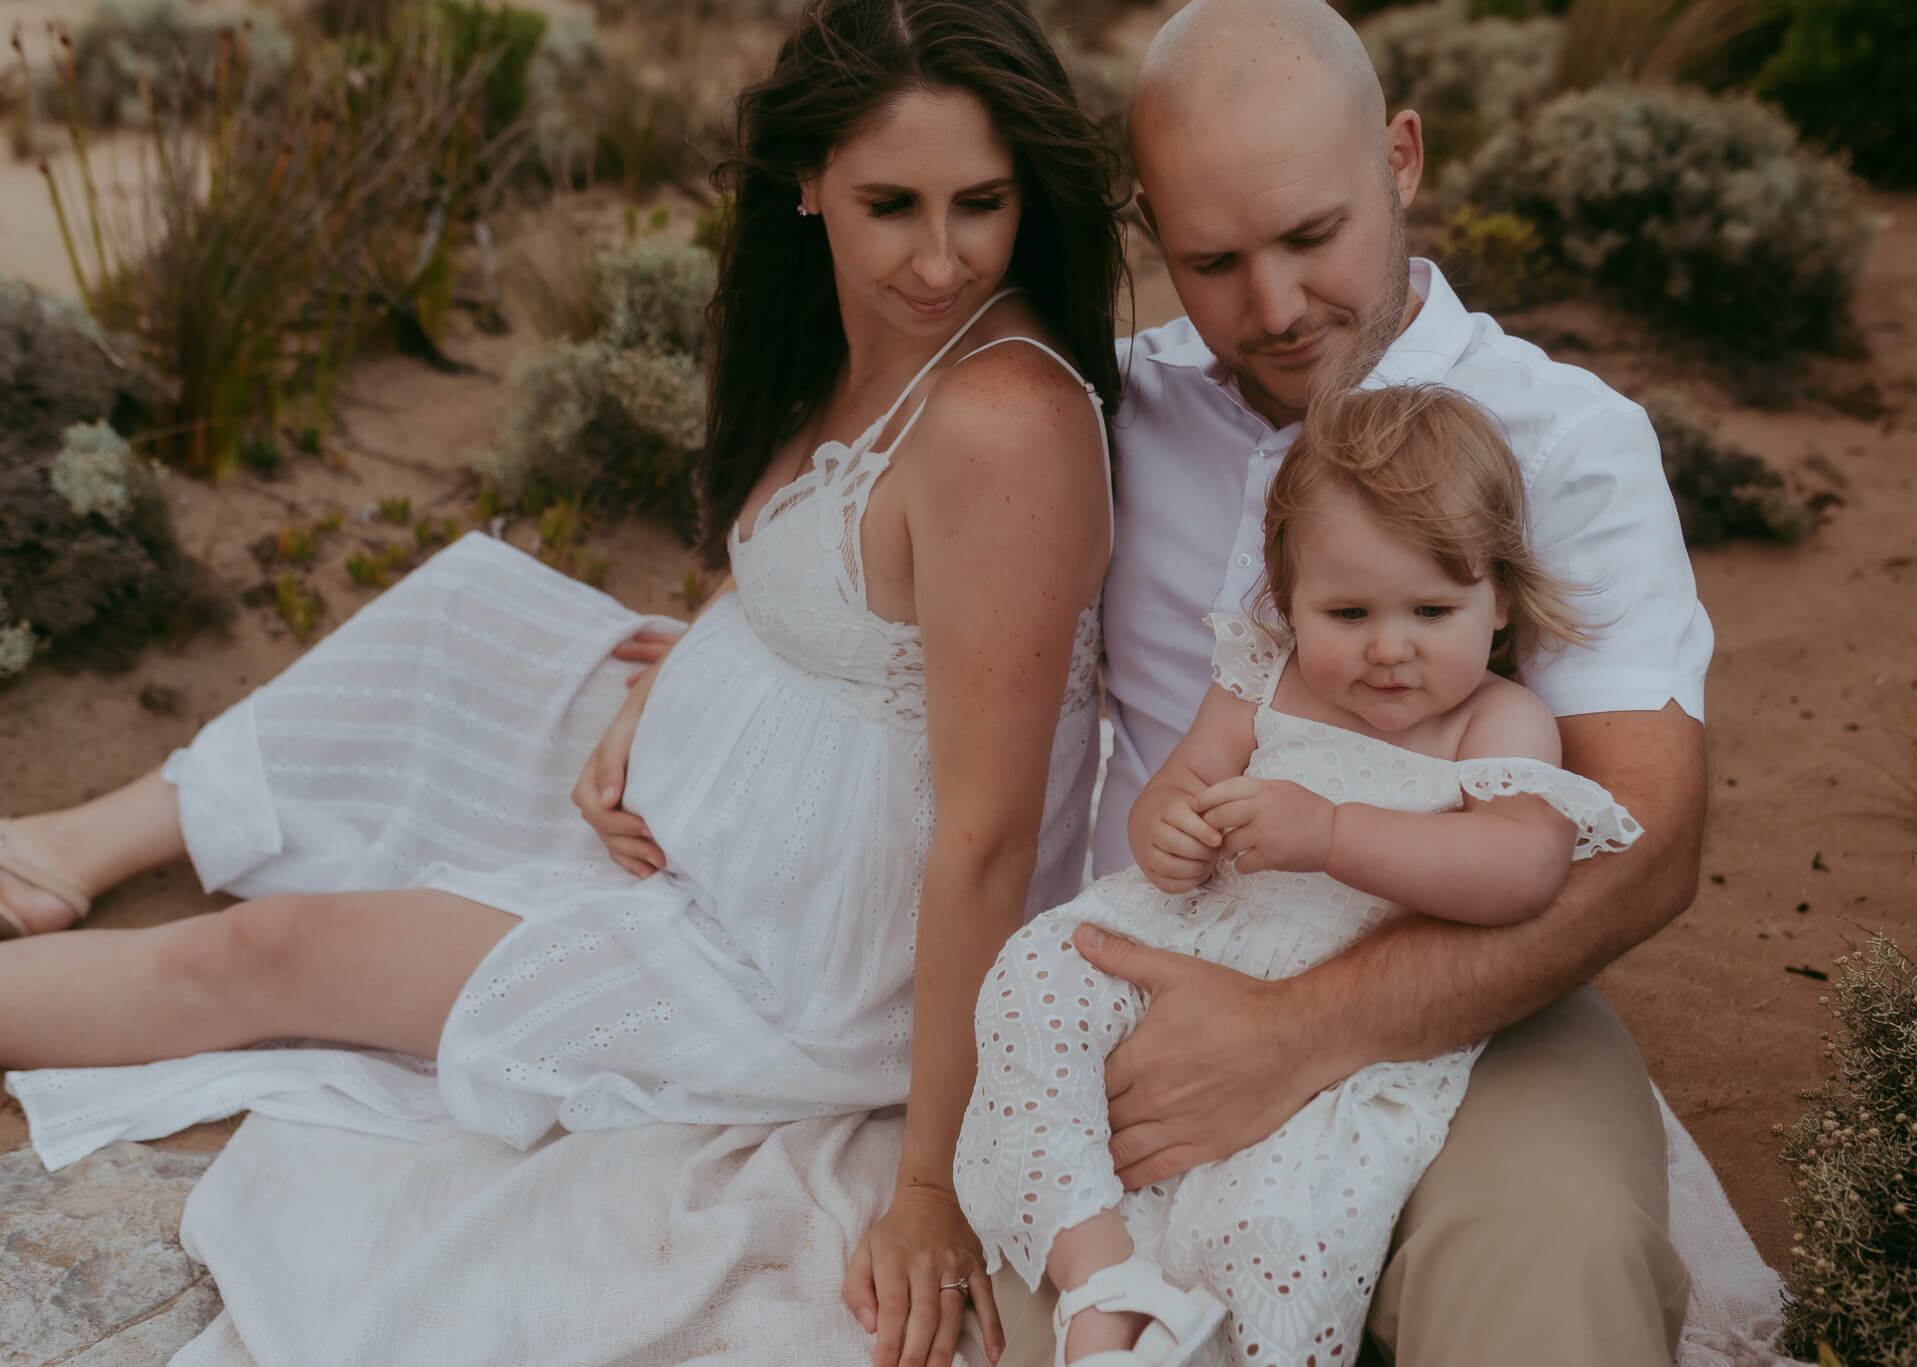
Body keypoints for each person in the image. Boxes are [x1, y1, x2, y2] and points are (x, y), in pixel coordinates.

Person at [0, 2, 1123, 1364]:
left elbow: (989, 835)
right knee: (469, 609)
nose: (941, 258)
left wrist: (928, 1187)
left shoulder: (1003, 423)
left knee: (266, 953)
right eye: (892, 204)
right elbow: (826, 569)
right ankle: (75, 844)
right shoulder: (851, 340)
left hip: (792, 964)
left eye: (981, 204)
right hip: (703, 813)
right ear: (807, 181)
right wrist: (676, 681)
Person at [965, 1, 1713, 1362]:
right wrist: (698, 659)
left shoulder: (1566, 439)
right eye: (1211, 260)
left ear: (1401, 160)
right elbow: (873, 513)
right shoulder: (1103, 414)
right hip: (1161, 986)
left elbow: (1646, 843)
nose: (1274, 308)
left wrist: (1290, 1033)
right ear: (1152, 230)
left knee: (1552, 1266)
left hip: (1478, 1004)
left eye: (1312, 235)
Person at [952, 383, 1646, 1367]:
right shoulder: (1263, 681)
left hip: (1353, 1003)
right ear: (1286, 599)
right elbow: (1179, 783)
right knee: (1033, 979)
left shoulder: (1495, 721)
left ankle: (1235, 1339)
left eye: (1432, 609)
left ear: (1497, 599)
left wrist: (1331, 832)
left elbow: (1523, 866)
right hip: (1196, 937)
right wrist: (1169, 830)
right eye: (1347, 611)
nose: (1388, 647)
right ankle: (1098, 1273)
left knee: (1280, 1204)